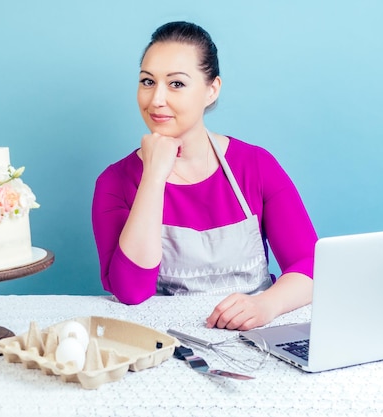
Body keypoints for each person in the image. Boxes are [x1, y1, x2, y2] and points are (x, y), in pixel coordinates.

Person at [92, 21, 318, 331]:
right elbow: (131, 291)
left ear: (211, 90)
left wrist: (265, 305)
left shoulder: (256, 166)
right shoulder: (114, 182)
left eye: (176, 84)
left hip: (253, 334)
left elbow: (311, 265)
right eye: (147, 81)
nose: (156, 99)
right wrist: (154, 176)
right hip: (167, 345)